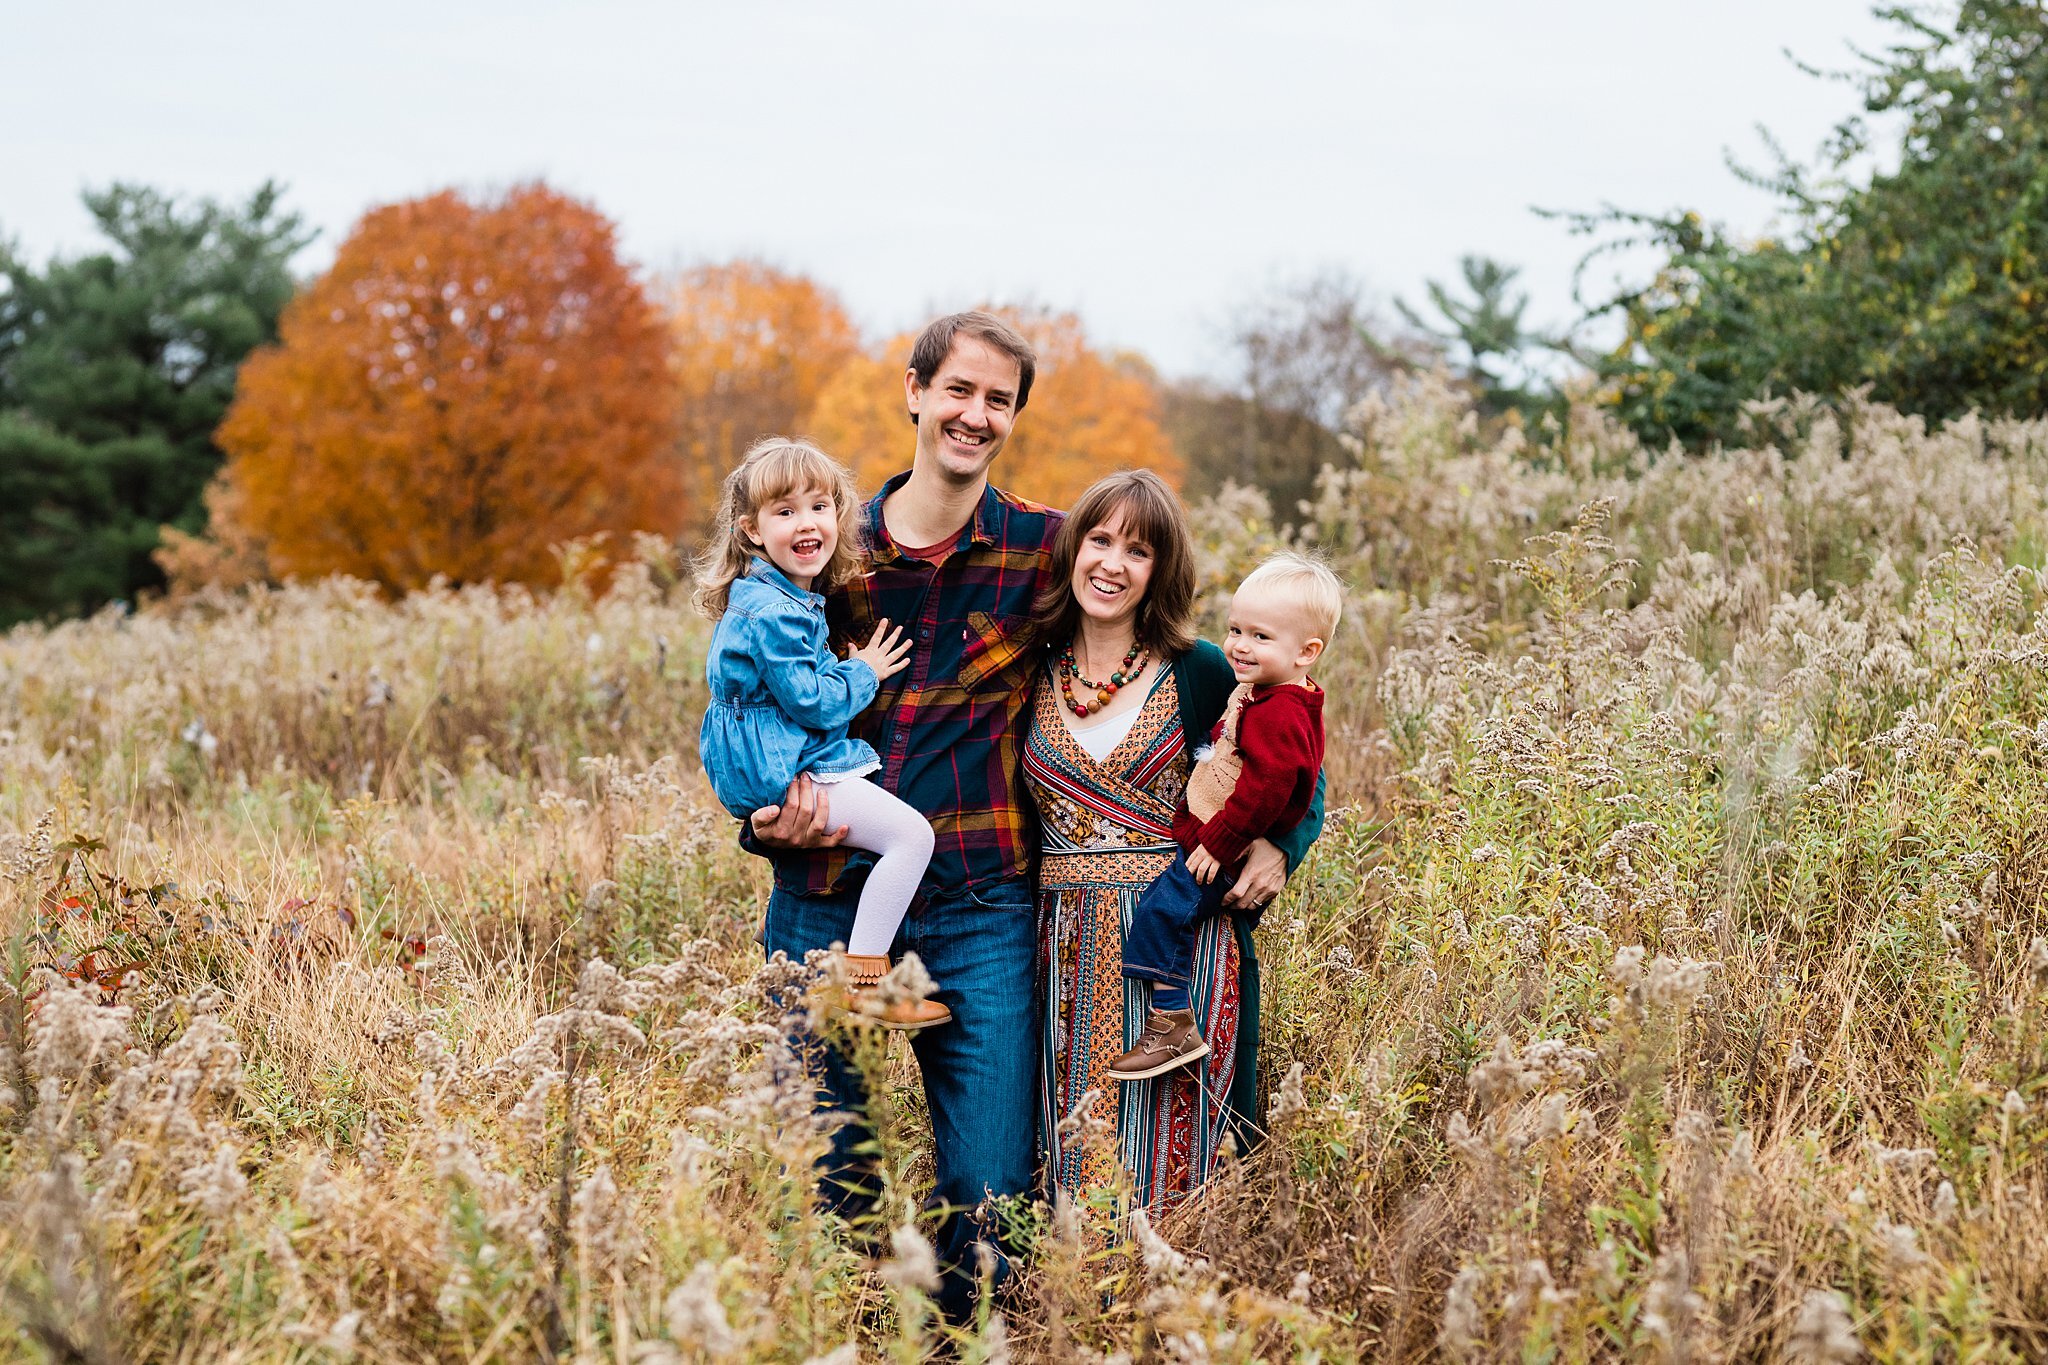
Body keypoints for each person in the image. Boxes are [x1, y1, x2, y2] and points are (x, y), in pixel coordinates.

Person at [743, 312, 1060, 1320]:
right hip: (822, 900)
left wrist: (1286, 815)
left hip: (978, 910)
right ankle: (849, 1339)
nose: (974, 415)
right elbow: (745, 708)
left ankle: (968, 1342)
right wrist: (758, 822)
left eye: (997, 400)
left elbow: (1178, 669)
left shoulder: (1045, 552)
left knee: (988, 1199)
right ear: (915, 391)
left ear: (1011, 417)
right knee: (823, 1180)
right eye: (957, 390)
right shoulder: (824, 548)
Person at [1025, 470, 1324, 1214]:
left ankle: (1171, 1325)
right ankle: (1061, 1327)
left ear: (1162, 570)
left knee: (1171, 1161)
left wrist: (1282, 847)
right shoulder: (1029, 668)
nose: (1112, 563)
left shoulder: (1204, 671)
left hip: (1177, 951)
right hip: (1055, 950)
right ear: (1073, 549)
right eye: (1099, 539)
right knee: (1062, 1154)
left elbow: (1303, 768)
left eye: (1138, 550)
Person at [694, 437, 947, 1030]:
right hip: (785, 767)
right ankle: (865, 979)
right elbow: (808, 701)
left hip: (777, 758)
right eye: (785, 512)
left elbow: (790, 686)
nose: (806, 523)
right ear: (752, 531)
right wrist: (863, 673)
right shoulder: (775, 610)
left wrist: (835, 668)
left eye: (819, 506)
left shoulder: (775, 596)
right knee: (911, 838)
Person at [1106, 552, 1336, 1080]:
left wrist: (1234, 840)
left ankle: (1172, 1023)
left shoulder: (1269, 702)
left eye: (1259, 636)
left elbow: (1284, 780)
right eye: (1235, 629)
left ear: (1307, 652)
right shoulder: (1257, 691)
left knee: (1164, 914)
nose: (1240, 645)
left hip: (1217, 852)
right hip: (1203, 842)